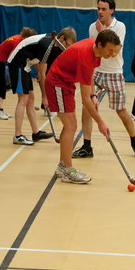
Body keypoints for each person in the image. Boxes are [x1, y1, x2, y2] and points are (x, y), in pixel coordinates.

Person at [72, 0, 135, 158]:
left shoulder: (120, 27)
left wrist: (103, 33)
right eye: (98, 8)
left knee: (121, 110)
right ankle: (87, 146)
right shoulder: (92, 27)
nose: (100, 12)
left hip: (114, 73)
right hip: (96, 72)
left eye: (104, 9)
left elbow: (113, 53)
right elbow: (92, 52)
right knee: (88, 107)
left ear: (112, 10)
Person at [45, 30, 121, 183]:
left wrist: (93, 94)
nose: (113, 54)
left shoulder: (95, 52)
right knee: (71, 125)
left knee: (70, 126)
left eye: (115, 50)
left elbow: (89, 77)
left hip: (66, 84)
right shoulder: (86, 56)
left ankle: (62, 165)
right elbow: (85, 100)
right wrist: (101, 122)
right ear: (100, 45)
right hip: (57, 83)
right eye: (110, 50)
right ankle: (67, 169)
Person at [6, 28, 77, 145]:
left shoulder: (55, 46)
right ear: (62, 38)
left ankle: (36, 133)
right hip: (18, 63)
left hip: (27, 64)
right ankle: (17, 136)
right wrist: (45, 97)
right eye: (67, 44)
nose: (67, 48)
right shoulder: (47, 45)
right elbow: (42, 74)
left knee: (31, 98)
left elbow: (43, 71)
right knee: (23, 99)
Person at [0, 27, 37, 120]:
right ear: (26, 37)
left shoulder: (20, 38)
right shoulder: (17, 42)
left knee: (1, 84)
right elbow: (14, 59)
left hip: (0, 60)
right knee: (1, 84)